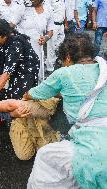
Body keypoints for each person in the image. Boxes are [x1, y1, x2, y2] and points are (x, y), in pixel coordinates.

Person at [25, 33, 107, 189]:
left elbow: (33, 93)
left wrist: (25, 96)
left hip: (94, 146)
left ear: (68, 57)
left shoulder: (64, 73)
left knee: (45, 156)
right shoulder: (104, 70)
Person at [12, 0, 54, 82]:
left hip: (38, 48)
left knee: (38, 75)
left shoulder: (48, 9)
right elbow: (11, 25)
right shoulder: (23, 7)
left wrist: (46, 37)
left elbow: (50, 30)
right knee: (23, 76)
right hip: (22, 49)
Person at [44, 0, 65, 72]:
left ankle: (50, 61)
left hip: (61, 24)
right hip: (53, 25)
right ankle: (50, 68)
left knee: (59, 44)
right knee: (51, 47)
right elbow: (46, 10)